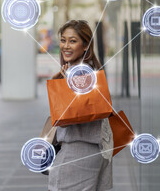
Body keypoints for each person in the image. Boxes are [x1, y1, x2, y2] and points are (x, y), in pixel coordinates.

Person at [48, 20, 113, 191]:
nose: (66, 46)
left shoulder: (80, 74)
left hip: (76, 153)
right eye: (63, 40)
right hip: (93, 151)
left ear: (85, 46)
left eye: (73, 41)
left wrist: (66, 83)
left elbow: (66, 116)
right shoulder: (88, 71)